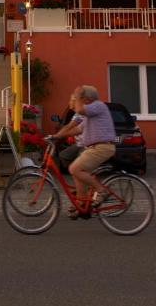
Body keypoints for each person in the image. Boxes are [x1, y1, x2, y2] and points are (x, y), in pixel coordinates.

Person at [51, 85, 116, 218]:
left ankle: (102, 191)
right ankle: (81, 206)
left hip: (102, 147)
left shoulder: (98, 106)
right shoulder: (90, 114)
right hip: (93, 148)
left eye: (81, 99)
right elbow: (77, 129)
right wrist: (55, 136)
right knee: (77, 172)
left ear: (87, 99)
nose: (78, 101)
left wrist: (78, 94)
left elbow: (79, 109)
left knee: (75, 169)